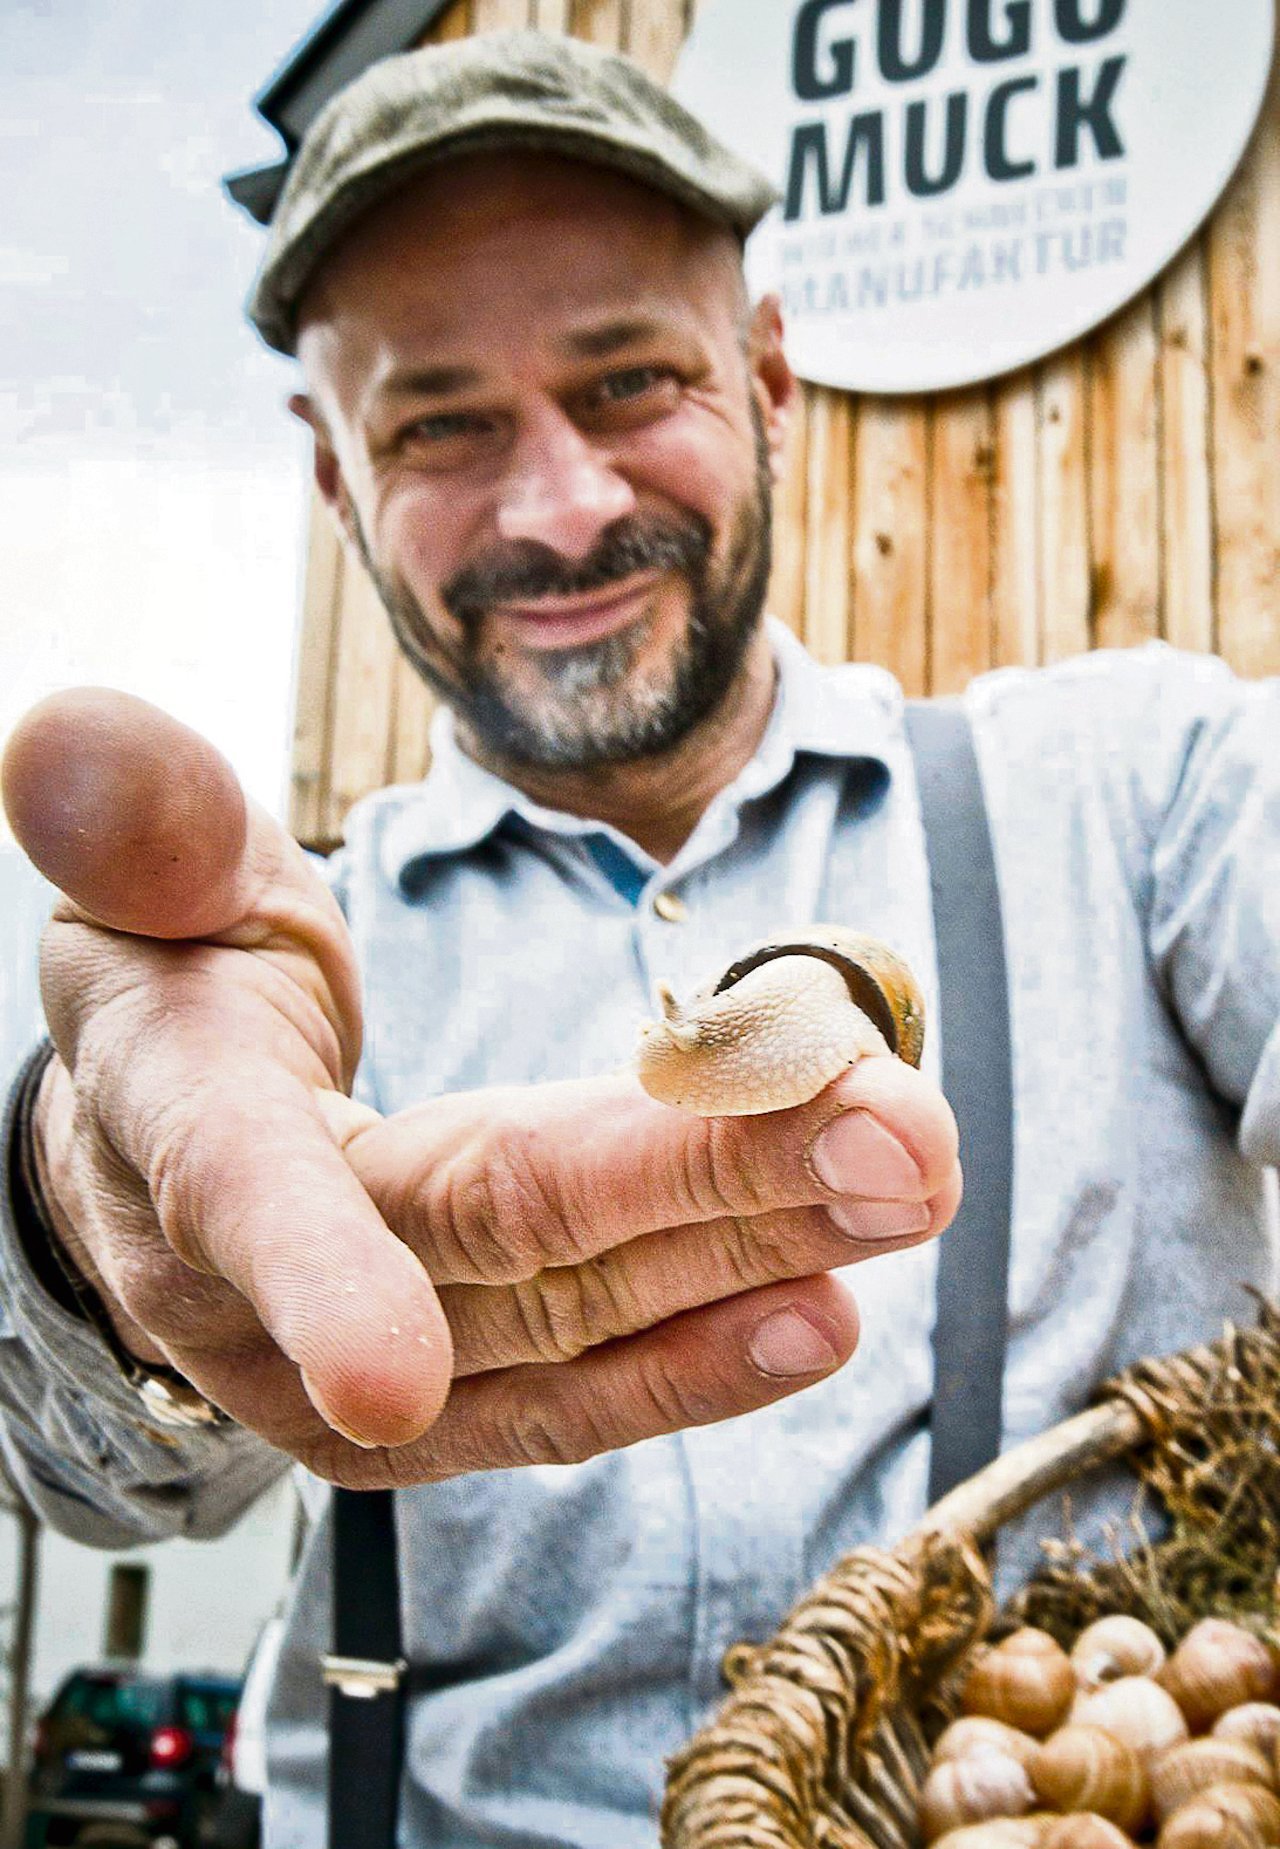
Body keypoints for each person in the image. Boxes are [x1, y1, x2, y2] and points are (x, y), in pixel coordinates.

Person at [0, 27, 1276, 1849]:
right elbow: (64, 1479)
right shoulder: (283, 976)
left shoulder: (1145, 791)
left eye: (628, 382)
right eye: (440, 422)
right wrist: (93, 1223)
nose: (564, 506)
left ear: (766, 376)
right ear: (335, 473)